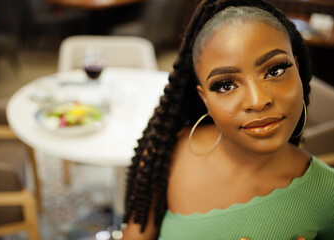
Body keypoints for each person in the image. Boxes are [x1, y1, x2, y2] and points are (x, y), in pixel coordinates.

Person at [122, 0, 334, 239]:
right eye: (226, 85)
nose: (257, 100)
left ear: (297, 68)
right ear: (204, 99)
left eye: (274, 70)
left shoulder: (328, 194)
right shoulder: (167, 154)